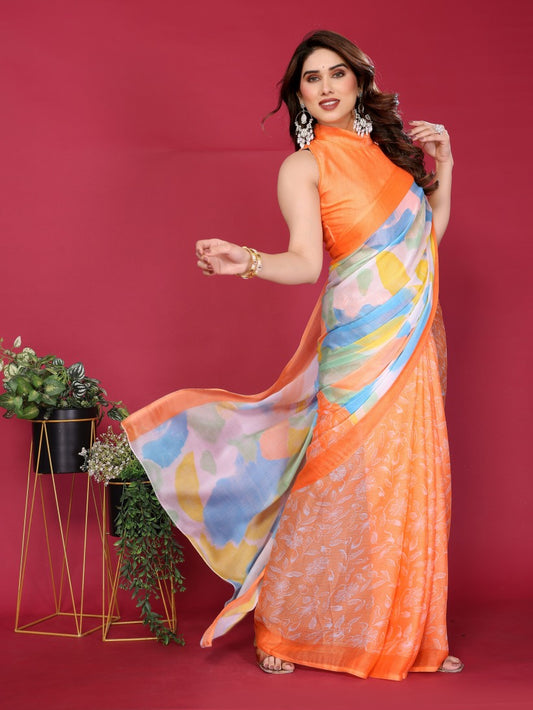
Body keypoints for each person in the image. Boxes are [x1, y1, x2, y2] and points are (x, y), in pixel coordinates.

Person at [122, 29, 462, 680]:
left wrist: (443, 170)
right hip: (357, 345)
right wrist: (246, 260)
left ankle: (408, 633)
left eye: (337, 73)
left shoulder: (394, 162)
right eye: (312, 78)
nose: (326, 86)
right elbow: (306, 263)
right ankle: (283, 626)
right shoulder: (304, 166)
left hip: (410, 344)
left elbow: (426, 245)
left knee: (406, 480)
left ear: (359, 81)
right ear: (299, 96)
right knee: (332, 480)